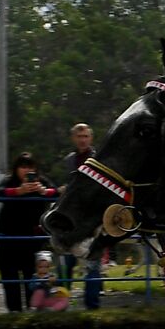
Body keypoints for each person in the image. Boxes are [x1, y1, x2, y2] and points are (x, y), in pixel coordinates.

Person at [0, 152, 58, 312]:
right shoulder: (10, 181)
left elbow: (57, 193)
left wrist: (44, 192)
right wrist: (18, 191)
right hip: (9, 237)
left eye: (30, 167)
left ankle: (33, 310)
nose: (26, 171)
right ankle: (14, 311)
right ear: (16, 169)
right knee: (10, 277)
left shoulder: (41, 181)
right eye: (23, 167)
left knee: (33, 277)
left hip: (32, 238)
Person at [57, 123, 102, 296]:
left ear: (90, 138)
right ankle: (62, 301)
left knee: (92, 262)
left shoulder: (99, 157)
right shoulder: (69, 160)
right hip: (71, 216)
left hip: (91, 216)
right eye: (79, 136)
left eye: (85, 136)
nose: (82, 140)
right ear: (73, 138)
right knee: (66, 261)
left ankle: (92, 306)